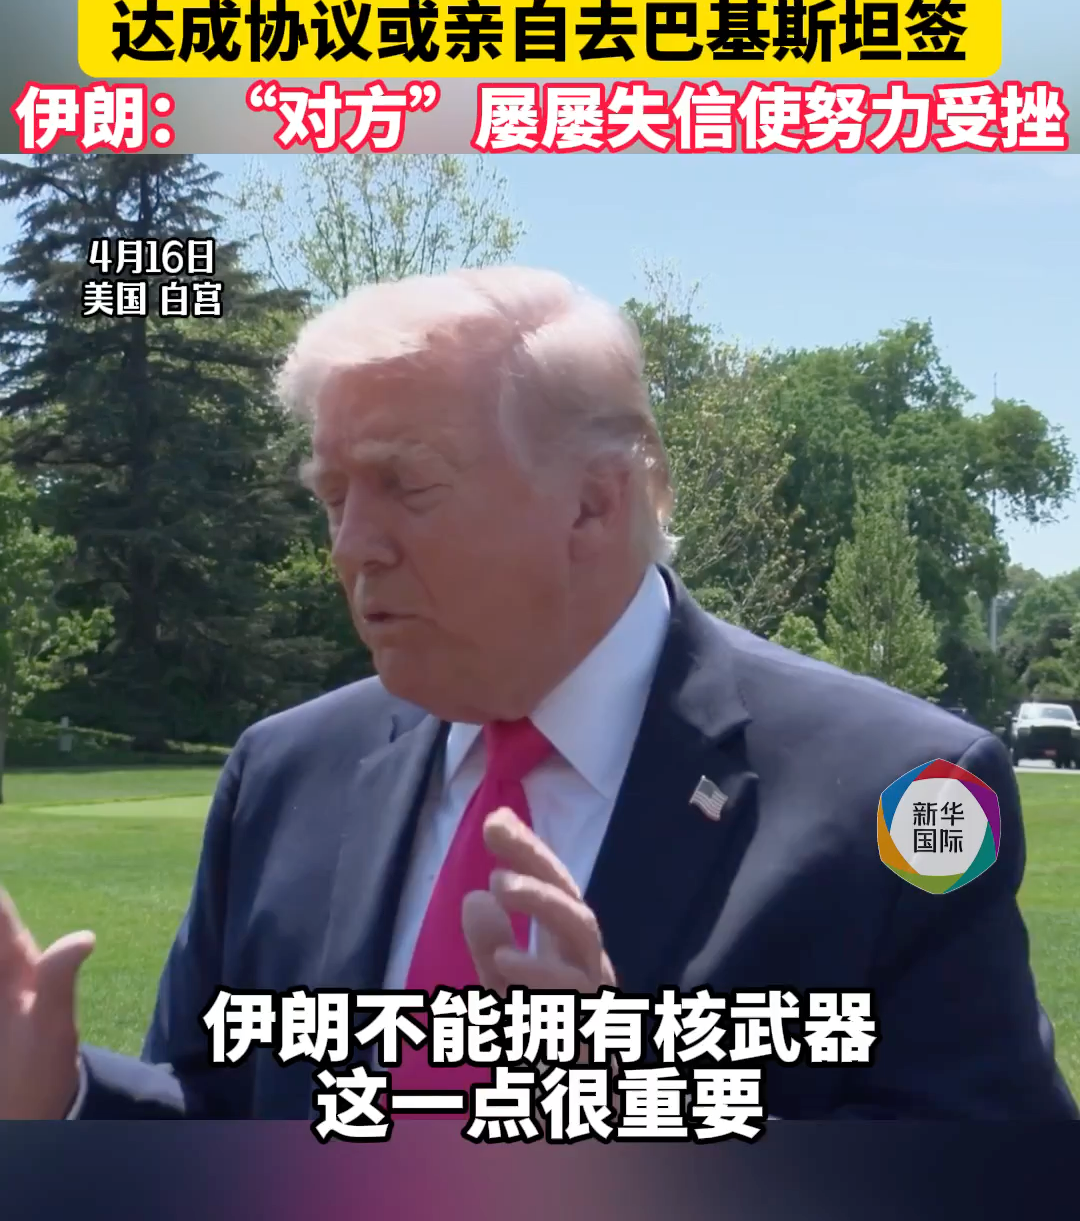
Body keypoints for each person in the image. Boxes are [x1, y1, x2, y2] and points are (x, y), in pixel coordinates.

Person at [0, 266, 1074, 1121]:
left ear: (594, 504)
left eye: (404, 485)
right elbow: (218, 1118)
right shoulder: (283, 775)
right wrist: (63, 1099)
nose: (353, 546)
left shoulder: (906, 791)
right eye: (333, 496)